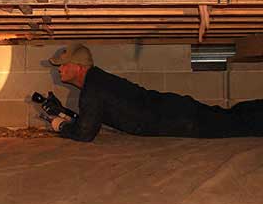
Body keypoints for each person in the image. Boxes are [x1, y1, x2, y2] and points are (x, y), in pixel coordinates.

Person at [47, 43, 263, 142]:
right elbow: (90, 118)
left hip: (176, 120)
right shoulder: (97, 81)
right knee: (229, 116)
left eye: (64, 65)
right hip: (174, 110)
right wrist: (63, 113)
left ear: (79, 66)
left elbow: (85, 133)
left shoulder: (93, 89)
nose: (60, 69)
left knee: (234, 125)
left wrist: (61, 126)